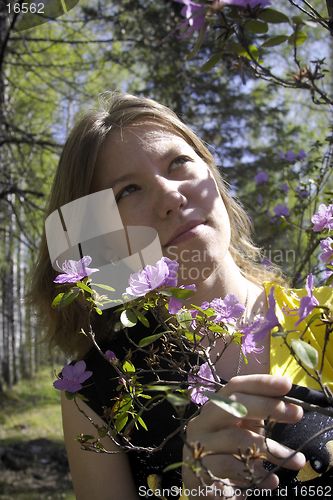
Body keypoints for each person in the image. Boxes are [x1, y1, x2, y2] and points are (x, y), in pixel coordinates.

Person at [30, 92, 332, 500]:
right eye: (128, 190)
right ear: (100, 237)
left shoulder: (324, 316)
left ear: (212, 175)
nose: (171, 196)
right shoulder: (95, 394)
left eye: (179, 162)